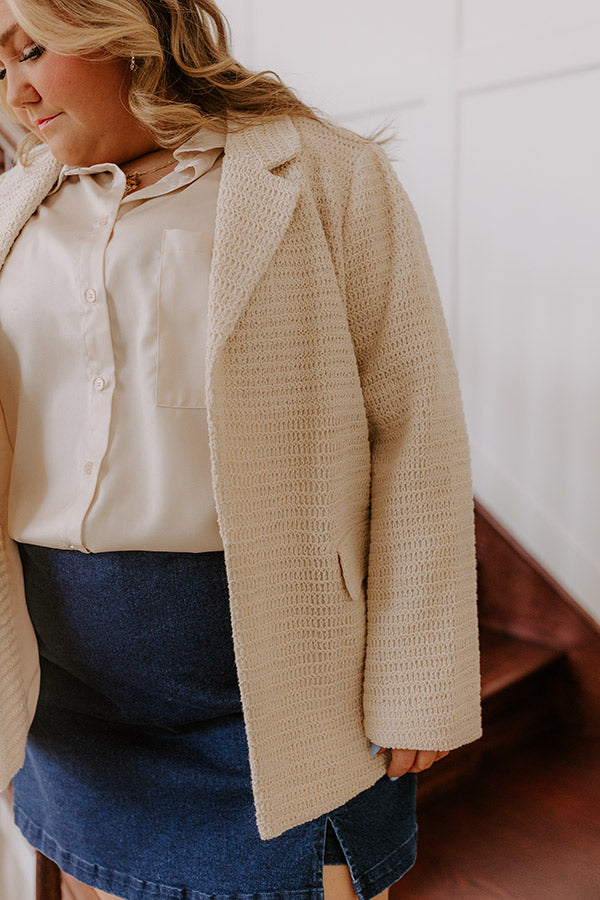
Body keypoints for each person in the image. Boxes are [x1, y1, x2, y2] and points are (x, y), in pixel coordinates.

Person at [0, 1, 482, 898]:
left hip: (276, 671)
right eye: (0, 69)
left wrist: (422, 673)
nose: (18, 91)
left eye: (33, 49)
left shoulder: (325, 174)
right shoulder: (16, 209)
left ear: (126, 29)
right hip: (66, 686)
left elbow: (415, 428)